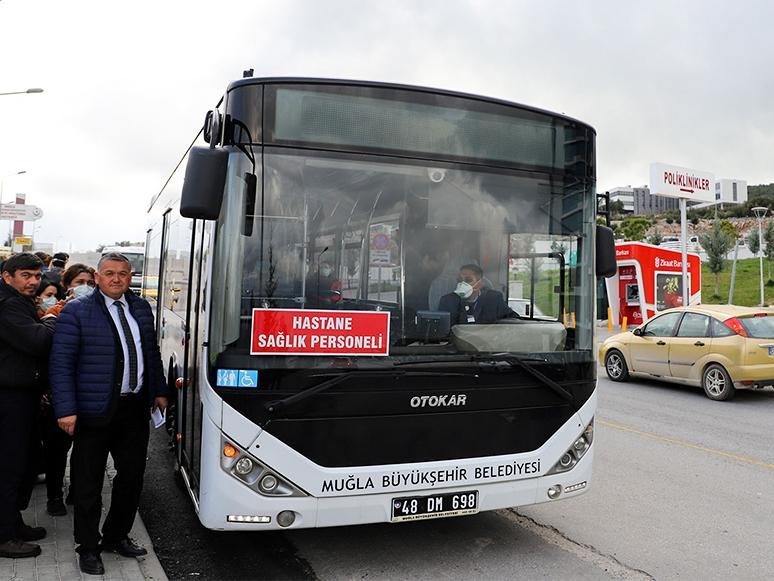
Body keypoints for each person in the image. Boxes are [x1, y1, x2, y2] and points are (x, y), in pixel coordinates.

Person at [50, 252, 167, 575]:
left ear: (131, 276)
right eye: (110, 273)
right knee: (88, 484)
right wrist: (67, 410)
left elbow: (150, 353)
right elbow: (60, 365)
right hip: (93, 410)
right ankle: (88, 548)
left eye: (124, 273)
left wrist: (159, 390)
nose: (117, 279)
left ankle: (116, 536)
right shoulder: (77, 311)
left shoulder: (141, 308)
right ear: (98, 277)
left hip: (133, 407)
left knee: (130, 478)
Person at [0, 253, 57, 559]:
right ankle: (3, 536)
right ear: (8, 277)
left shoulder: (18, 301)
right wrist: (52, 320)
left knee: (28, 462)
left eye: (37, 275)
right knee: (9, 466)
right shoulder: (8, 305)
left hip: (24, 396)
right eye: (26, 275)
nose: (34, 281)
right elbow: (39, 341)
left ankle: (12, 521)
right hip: (9, 398)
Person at [41, 264, 96, 516]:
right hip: (60, 392)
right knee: (57, 449)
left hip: (89, 393)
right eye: (78, 281)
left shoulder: (101, 312)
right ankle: (54, 496)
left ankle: (77, 491)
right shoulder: (53, 313)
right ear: (68, 285)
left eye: (89, 282)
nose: (84, 286)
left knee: (85, 451)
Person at [438, 263, 516, 325]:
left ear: (479, 284)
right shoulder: (447, 301)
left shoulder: (494, 299)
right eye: (460, 279)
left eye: (468, 279)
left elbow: (514, 320)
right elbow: (442, 329)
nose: (462, 283)